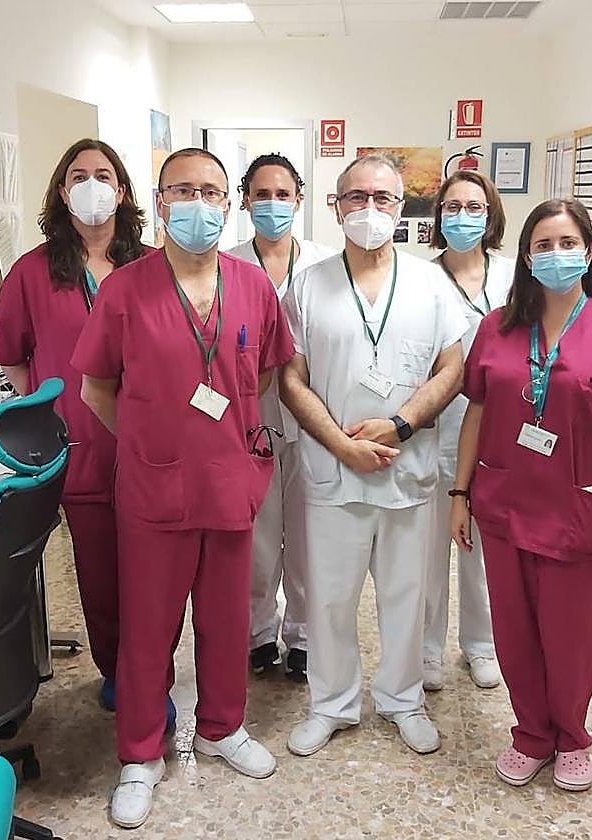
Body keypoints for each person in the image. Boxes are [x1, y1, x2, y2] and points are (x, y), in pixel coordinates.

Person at [73, 147, 295, 829]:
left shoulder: (253, 287)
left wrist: (217, 444)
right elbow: (96, 388)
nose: (198, 204)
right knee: (147, 629)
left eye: (211, 191)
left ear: (228, 204)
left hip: (230, 482)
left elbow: (261, 376)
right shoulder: (125, 290)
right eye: (183, 190)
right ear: (160, 201)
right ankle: (141, 754)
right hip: (153, 489)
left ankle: (222, 727)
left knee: (229, 619)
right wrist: (153, 444)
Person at [449, 199, 592, 792]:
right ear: (525, 257)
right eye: (542, 245)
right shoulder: (498, 328)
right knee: (514, 629)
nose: (555, 255)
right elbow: (476, 413)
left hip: (579, 509)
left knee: (575, 635)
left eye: (568, 243)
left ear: (588, 253)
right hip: (504, 503)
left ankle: (571, 735)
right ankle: (531, 734)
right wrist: (460, 492)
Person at [279, 154, 466, 758]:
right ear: (336, 208)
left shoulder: (431, 284)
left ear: (400, 207)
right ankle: (331, 704)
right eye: (356, 197)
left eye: (382, 198)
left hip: (407, 470)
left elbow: (453, 368)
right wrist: (342, 445)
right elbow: (291, 378)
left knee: (407, 595)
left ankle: (402, 700)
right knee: (329, 597)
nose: (369, 209)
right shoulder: (308, 284)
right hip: (332, 471)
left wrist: (399, 425)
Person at [0, 138, 159, 720]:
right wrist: (48, 409)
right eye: (79, 175)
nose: (92, 185)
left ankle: (152, 674)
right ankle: (117, 672)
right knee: (102, 576)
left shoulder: (152, 266)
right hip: (80, 449)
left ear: (123, 190)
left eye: (103, 175)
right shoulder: (32, 273)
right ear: (62, 191)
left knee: (154, 574)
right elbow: (14, 358)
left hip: (149, 445)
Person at [225, 153, 336, 681]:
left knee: (310, 533)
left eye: (283, 194)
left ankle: (306, 636)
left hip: (313, 413)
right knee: (259, 534)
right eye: (262, 194)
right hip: (252, 415)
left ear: (299, 199)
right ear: (246, 201)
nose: (273, 204)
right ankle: (258, 633)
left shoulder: (324, 264)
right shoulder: (226, 264)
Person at [421, 171, 513, 693]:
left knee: (480, 545)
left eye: (474, 207)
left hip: (497, 429)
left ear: (490, 214)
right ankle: (427, 649)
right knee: (429, 550)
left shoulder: (513, 275)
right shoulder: (421, 277)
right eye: (452, 207)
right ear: (439, 216)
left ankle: (481, 645)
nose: (462, 217)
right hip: (438, 427)